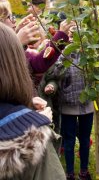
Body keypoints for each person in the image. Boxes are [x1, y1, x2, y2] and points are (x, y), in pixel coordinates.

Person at [0, 22, 66, 180]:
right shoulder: (31, 138)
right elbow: (40, 63)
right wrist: (35, 123)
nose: (13, 21)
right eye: (8, 17)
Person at [41, 27, 94, 180]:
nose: (73, 38)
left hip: (86, 105)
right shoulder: (61, 53)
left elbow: (96, 75)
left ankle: (84, 171)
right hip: (68, 105)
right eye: (70, 35)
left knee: (85, 139)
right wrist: (63, 59)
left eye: (76, 35)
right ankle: (70, 173)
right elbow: (54, 74)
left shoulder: (89, 54)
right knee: (69, 141)